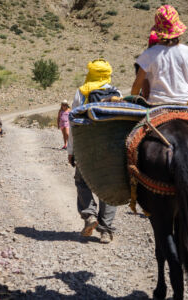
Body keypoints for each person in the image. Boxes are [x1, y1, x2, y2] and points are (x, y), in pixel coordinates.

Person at [67, 59, 121, 244]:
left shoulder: (82, 92)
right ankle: (106, 231)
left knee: (82, 181)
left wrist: (71, 150)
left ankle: (89, 216)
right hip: (111, 148)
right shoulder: (117, 93)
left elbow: (73, 122)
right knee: (108, 187)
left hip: (87, 146)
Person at [131, 5, 188, 103]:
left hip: (157, 105)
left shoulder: (148, 54)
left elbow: (136, 87)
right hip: (186, 103)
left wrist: (133, 100)